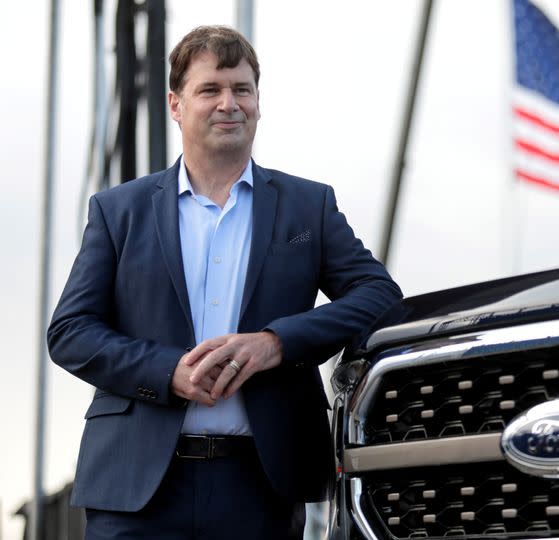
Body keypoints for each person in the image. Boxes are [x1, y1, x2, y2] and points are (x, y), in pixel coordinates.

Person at [47, 25, 402, 539]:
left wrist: (276, 343)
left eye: (242, 89)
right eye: (210, 89)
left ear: (258, 101)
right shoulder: (118, 211)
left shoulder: (310, 206)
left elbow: (380, 296)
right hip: (134, 490)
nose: (228, 103)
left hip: (260, 485)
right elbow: (70, 332)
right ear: (175, 104)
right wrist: (168, 371)